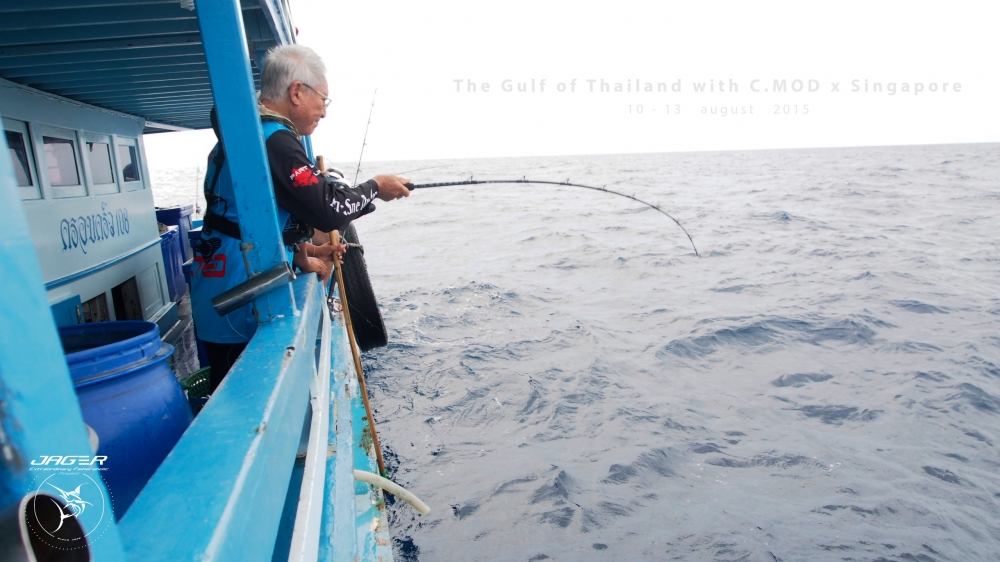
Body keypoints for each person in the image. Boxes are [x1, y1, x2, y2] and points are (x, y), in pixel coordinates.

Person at [190, 44, 411, 391]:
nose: (324, 111)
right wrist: (375, 187)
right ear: (297, 92)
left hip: (219, 288)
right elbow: (324, 209)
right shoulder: (275, 141)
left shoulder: (249, 135)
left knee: (227, 386)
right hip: (239, 299)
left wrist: (300, 252)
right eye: (323, 100)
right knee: (244, 398)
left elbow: (254, 215)